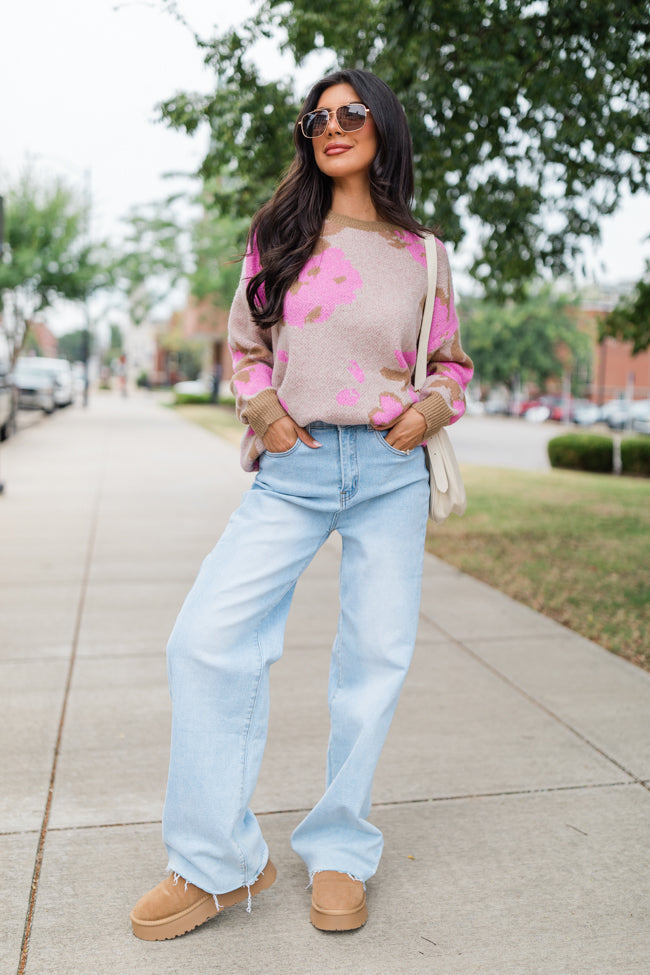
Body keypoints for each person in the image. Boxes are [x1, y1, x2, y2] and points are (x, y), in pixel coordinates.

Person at [130, 67, 473, 941]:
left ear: (382, 127)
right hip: (297, 466)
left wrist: (428, 409)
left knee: (374, 663)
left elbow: (452, 365)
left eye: (351, 112)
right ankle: (216, 861)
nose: (331, 126)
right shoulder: (278, 234)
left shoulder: (423, 252)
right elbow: (245, 347)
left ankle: (340, 849)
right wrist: (268, 414)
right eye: (316, 117)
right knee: (206, 640)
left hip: (390, 470)